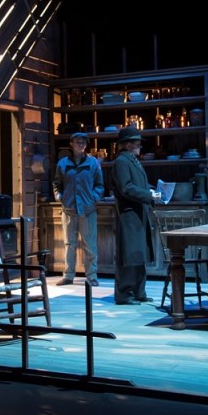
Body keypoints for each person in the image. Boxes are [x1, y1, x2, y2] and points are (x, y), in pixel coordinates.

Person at [110, 125, 161, 305]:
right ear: (127, 144)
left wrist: (151, 190)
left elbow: (139, 184)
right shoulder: (121, 162)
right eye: (136, 142)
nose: (140, 145)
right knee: (129, 255)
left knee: (139, 254)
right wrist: (148, 195)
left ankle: (139, 291)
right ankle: (124, 294)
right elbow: (126, 188)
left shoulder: (132, 160)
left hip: (139, 212)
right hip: (129, 214)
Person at [52, 132, 105, 287]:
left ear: (86, 145)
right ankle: (68, 275)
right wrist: (59, 197)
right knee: (69, 244)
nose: (80, 144)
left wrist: (94, 197)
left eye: (83, 142)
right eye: (77, 142)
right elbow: (57, 184)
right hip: (69, 209)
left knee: (90, 244)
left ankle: (92, 276)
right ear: (71, 144)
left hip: (88, 210)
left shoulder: (93, 163)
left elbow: (100, 184)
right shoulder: (63, 164)